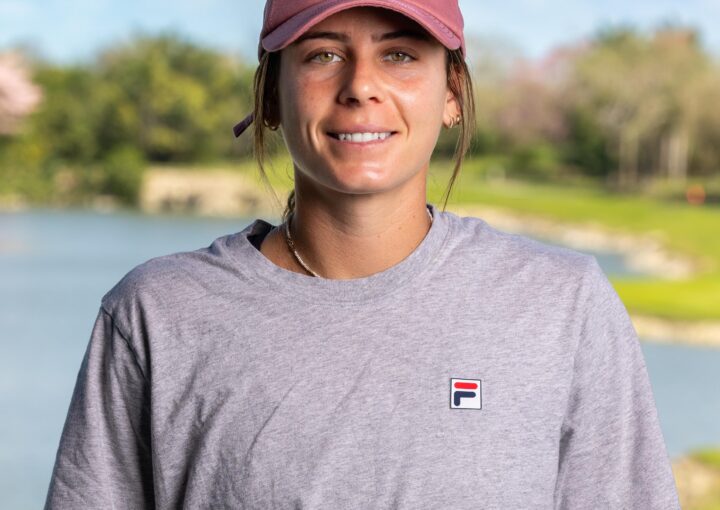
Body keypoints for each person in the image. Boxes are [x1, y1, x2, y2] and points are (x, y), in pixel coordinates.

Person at [45, 1, 682, 508]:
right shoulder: (156, 314)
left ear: (451, 92)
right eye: (323, 54)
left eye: (399, 54)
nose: (360, 87)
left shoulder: (562, 304)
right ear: (271, 97)